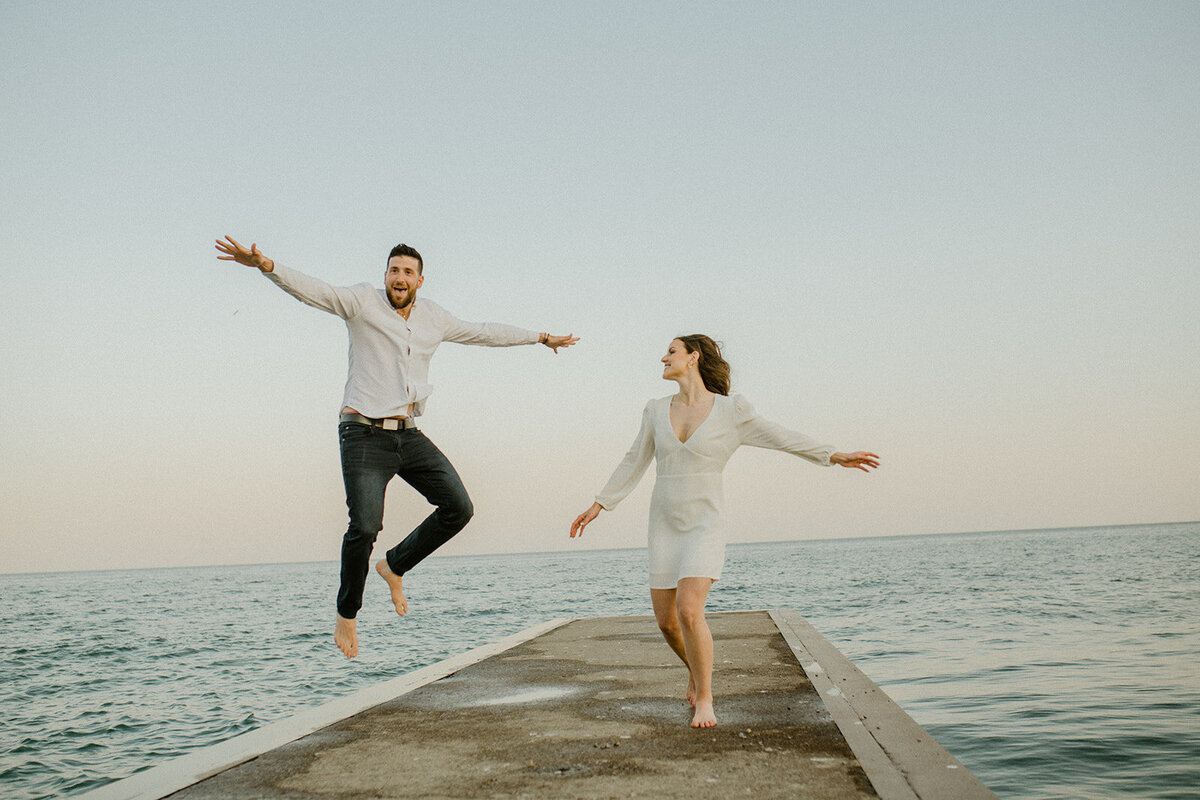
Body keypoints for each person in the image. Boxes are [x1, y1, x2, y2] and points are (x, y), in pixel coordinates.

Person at [216, 235, 578, 659]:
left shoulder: (433, 318)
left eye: (407, 272)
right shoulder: (361, 302)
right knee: (365, 527)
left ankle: (395, 565)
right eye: (393, 270)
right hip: (362, 433)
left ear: (420, 280)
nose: (399, 278)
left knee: (459, 508)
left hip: (407, 434)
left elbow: (484, 332)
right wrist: (267, 265)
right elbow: (316, 292)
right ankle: (347, 613)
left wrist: (541, 337)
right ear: (384, 276)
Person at [569, 335, 878, 728]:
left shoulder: (731, 411)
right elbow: (634, 460)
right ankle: (696, 671)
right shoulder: (654, 409)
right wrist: (600, 504)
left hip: (705, 522)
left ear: (693, 358)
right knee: (666, 622)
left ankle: (706, 699)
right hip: (663, 522)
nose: (663, 357)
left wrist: (832, 455)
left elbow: (780, 436)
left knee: (688, 610)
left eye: (672, 351)